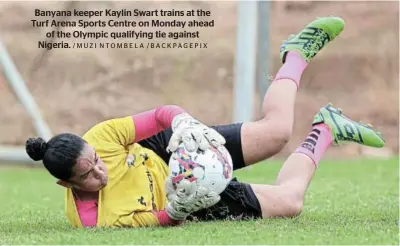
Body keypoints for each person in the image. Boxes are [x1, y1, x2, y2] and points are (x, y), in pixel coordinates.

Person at [25, 16, 385, 228]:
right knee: (291, 203)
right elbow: (158, 220)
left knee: (276, 133)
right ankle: (325, 130)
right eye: (88, 175)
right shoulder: (96, 220)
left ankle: (295, 54)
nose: (100, 172)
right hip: (179, 195)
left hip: (164, 148)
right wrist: (177, 210)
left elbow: (158, 115)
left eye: (98, 162)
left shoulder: (101, 137)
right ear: (65, 184)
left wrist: (183, 125)